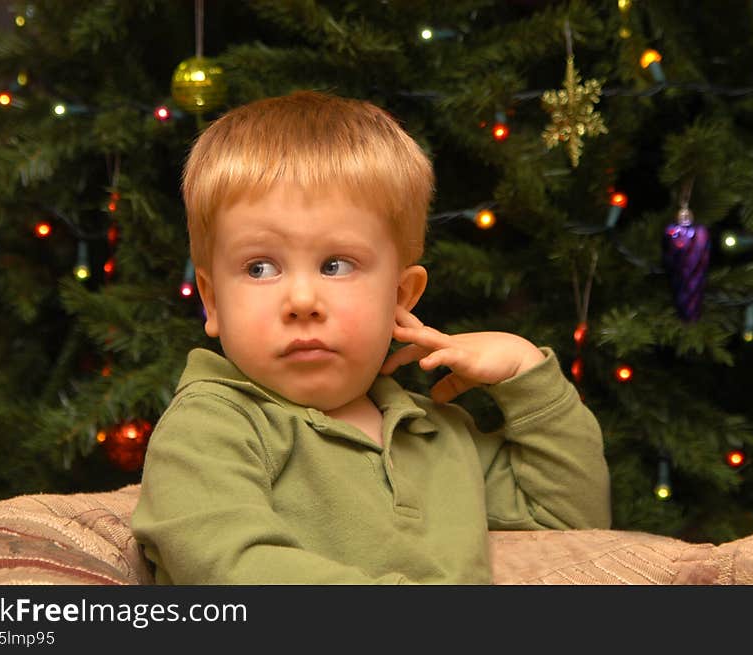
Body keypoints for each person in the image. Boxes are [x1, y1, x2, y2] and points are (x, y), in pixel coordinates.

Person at [131, 90, 611, 584]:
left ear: (401, 296)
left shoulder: (438, 435)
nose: (301, 300)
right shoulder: (212, 425)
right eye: (260, 267)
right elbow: (228, 567)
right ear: (212, 301)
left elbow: (572, 523)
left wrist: (527, 373)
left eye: (336, 265)